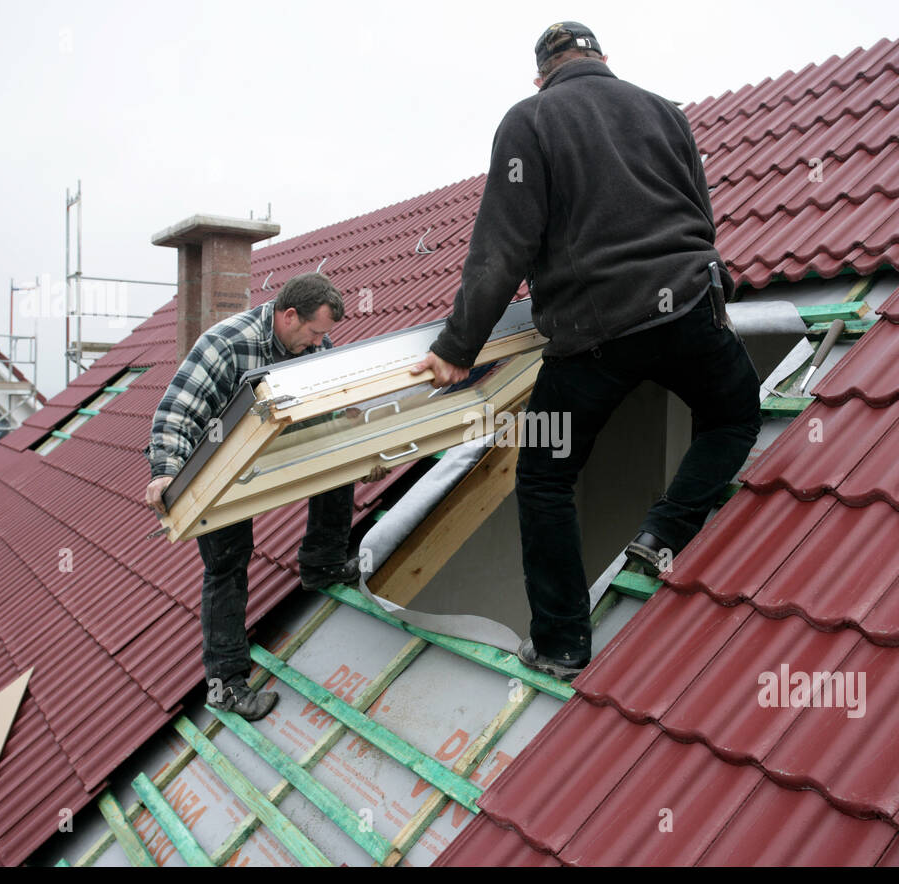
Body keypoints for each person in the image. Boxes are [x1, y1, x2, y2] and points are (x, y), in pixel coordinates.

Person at [411, 22, 761, 681]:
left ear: (540, 76)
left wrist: (458, 347)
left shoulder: (530, 118)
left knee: (545, 478)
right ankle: (663, 532)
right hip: (689, 307)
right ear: (603, 59)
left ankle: (563, 644)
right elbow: (701, 216)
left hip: (592, 334)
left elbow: (502, 246)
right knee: (733, 415)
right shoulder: (665, 111)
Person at [144, 273, 383, 720]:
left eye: (323, 335)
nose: (319, 343)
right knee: (228, 562)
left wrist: (363, 451)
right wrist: (165, 473)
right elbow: (176, 413)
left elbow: (333, 409)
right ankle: (226, 685)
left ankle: (322, 562)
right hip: (217, 467)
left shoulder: (313, 347)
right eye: (314, 332)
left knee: (336, 454)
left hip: (274, 448)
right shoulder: (227, 344)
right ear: (288, 316)